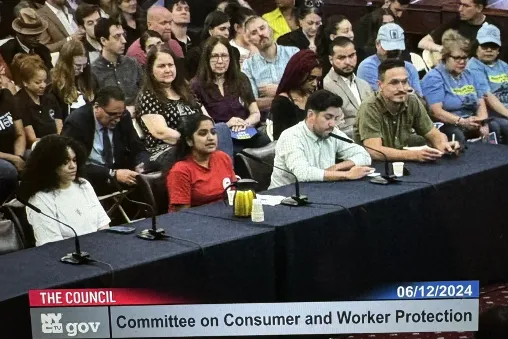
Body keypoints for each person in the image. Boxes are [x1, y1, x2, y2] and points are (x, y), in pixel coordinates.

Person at [355, 59, 458, 162]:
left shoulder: (412, 100)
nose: (401, 88)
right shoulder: (370, 107)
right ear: (380, 85)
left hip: (401, 161)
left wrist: (444, 145)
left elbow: (432, 133)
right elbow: (375, 151)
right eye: (394, 83)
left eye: (404, 82)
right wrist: (414, 155)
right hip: (374, 166)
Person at [269, 89, 373, 189]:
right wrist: (346, 174)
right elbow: (303, 173)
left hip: (320, 190)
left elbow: (364, 156)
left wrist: (336, 167)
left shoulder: (332, 132)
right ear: (311, 115)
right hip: (286, 196)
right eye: (328, 117)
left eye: (336, 118)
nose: (332, 124)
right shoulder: (291, 136)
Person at [19, 135, 110, 246]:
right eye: (65, 162)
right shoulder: (40, 199)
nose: (72, 166)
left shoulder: (84, 184)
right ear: (50, 166)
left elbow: (103, 226)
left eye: (74, 160)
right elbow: (52, 246)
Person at [62, 86, 150, 194]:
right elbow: (74, 164)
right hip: (90, 179)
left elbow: (138, 148)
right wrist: (111, 173)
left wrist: (141, 164)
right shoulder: (77, 122)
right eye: (112, 114)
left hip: (122, 175)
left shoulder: (123, 115)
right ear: (97, 107)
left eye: (120, 115)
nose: (117, 119)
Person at [192, 36, 270, 153]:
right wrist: (227, 125)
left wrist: (244, 123)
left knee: (266, 142)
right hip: (219, 136)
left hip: (245, 130)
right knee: (237, 152)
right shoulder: (196, 85)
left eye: (224, 56)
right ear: (206, 59)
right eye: (214, 56)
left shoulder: (241, 79)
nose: (220, 61)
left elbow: (255, 113)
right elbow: (206, 124)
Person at [422, 29, 488, 145]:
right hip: (447, 123)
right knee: (457, 134)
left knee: (499, 126)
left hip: (470, 120)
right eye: (457, 58)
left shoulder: (469, 74)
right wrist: (462, 122)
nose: (462, 62)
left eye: (465, 57)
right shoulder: (434, 77)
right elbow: (436, 112)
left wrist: (482, 121)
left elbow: (480, 102)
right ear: (446, 57)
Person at [167, 114, 236, 212]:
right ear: (190, 141)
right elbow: (182, 216)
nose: (211, 138)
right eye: (203, 133)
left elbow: (233, 193)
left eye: (213, 132)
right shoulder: (180, 171)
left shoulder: (223, 157)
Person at [418, 0, 505, 65]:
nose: (460, 9)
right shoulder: (456, 21)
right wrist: (443, 49)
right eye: (460, 4)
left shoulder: (494, 28)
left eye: (466, 6)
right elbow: (422, 42)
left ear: (479, 8)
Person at [241, 16, 299, 113]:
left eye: (262, 28)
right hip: (266, 122)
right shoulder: (248, 66)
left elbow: (304, 92)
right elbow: (252, 104)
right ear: (249, 40)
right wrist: (288, 95)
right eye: (254, 33)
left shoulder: (294, 53)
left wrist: (278, 90)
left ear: (270, 29)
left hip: (297, 116)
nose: (260, 34)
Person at [324, 37, 373, 138]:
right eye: (341, 58)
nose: (348, 62)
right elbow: (335, 128)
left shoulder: (364, 84)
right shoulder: (326, 85)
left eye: (351, 56)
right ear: (330, 59)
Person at [467, 23, 508, 144]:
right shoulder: (473, 66)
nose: (489, 50)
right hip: (492, 114)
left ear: (499, 50)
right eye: (485, 46)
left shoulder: (503, 65)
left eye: (493, 46)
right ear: (476, 48)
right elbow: (487, 96)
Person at [11, 54, 62, 149]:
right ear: (25, 82)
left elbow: (60, 127)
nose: (43, 85)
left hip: (57, 144)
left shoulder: (50, 98)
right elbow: (32, 138)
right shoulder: (18, 103)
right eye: (38, 82)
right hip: (36, 148)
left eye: (44, 81)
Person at [357, 23, 422, 95]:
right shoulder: (368, 67)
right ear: (377, 44)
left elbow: (420, 100)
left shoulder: (410, 67)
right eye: (389, 48)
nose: (393, 53)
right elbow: (378, 99)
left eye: (396, 49)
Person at [92, 18, 143, 108]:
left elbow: (144, 92)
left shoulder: (132, 63)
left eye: (123, 35)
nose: (124, 41)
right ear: (104, 41)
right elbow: (94, 106)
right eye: (117, 36)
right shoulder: (94, 71)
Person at [271, 49, 322, 140]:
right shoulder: (282, 102)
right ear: (298, 74)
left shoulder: (316, 97)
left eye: (317, 79)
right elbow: (280, 138)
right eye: (311, 78)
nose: (315, 83)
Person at [49, 40, 97, 121]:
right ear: (66, 63)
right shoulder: (54, 86)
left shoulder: (91, 79)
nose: (82, 70)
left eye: (84, 65)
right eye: (78, 65)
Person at [185, 11, 240, 80]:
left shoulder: (234, 52)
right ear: (210, 30)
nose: (227, 33)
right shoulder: (195, 54)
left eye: (228, 29)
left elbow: (236, 79)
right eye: (222, 29)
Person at [0, 89, 26, 204]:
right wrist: (14, 159)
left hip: (13, 151)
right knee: (9, 171)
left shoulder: (6, 96)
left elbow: (20, 134)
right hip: (3, 158)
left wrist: (19, 156)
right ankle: (5, 208)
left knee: (38, 155)